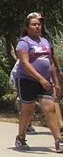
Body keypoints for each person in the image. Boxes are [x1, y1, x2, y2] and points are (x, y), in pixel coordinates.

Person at [14, 13, 62, 152]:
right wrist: (39, 78)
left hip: (46, 82)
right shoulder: (24, 42)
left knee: (50, 108)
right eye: (34, 24)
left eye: (39, 24)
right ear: (27, 27)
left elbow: (50, 62)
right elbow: (24, 63)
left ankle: (58, 139)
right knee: (27, 110)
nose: (37, 27)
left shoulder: (45, 41)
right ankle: (21, 138)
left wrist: (55, 81)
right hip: (27, 80)